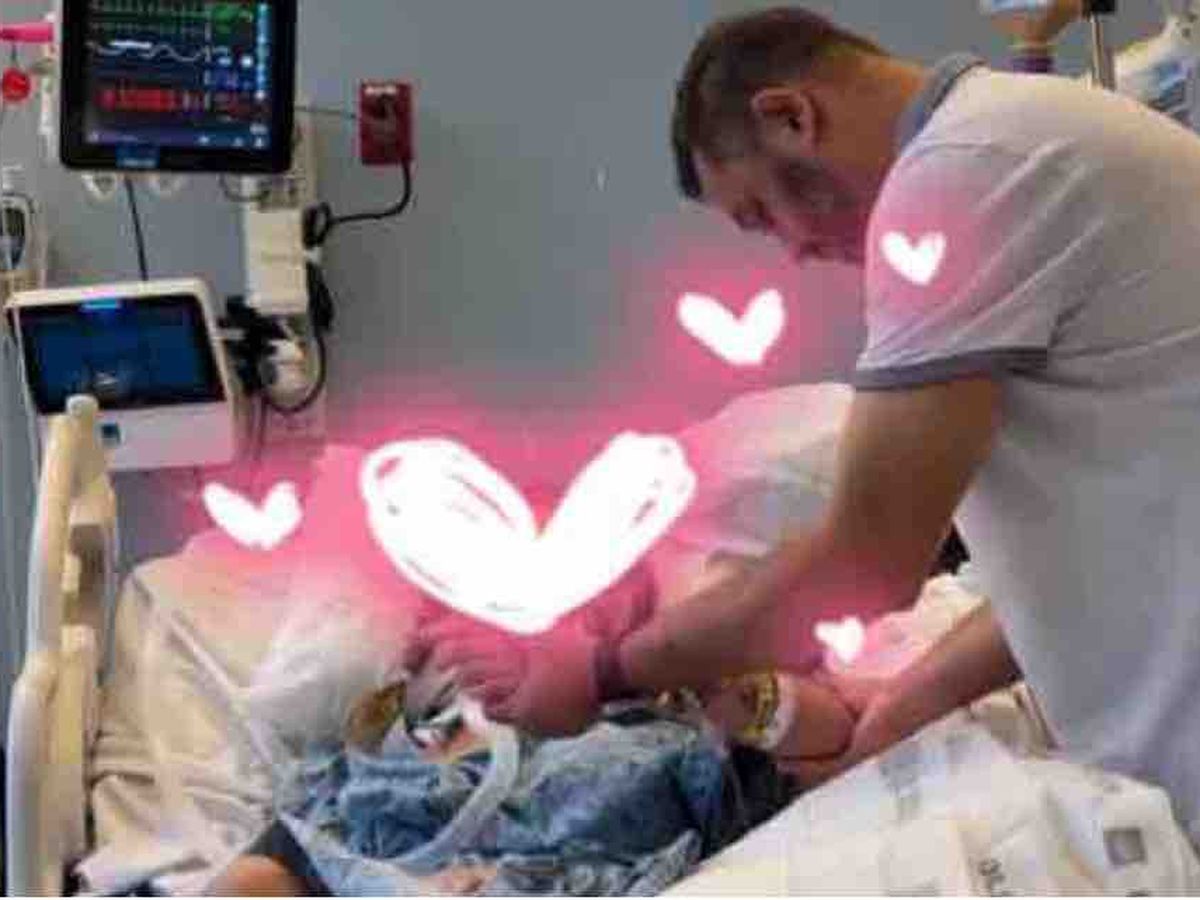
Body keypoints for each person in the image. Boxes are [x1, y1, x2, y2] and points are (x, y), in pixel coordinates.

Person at [416, 5, 1200, 842]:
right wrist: (905, 705)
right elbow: (1085, 547)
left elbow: (864, 563)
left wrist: (598, 670)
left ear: (790, 117)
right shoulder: (1020, 137)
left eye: (759, 213)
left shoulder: (962, 179)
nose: (791, 251)